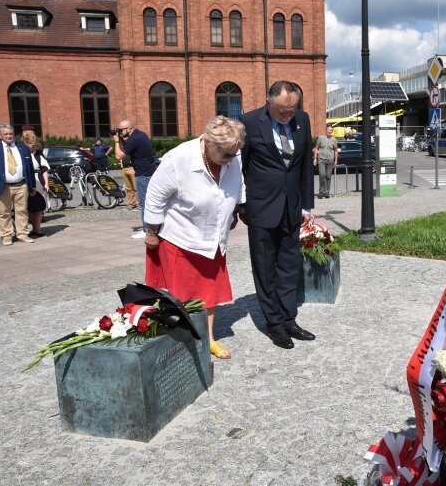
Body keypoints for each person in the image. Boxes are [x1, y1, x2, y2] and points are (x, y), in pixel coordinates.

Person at [144, 116, 246, 360]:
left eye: (235, 154)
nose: (230, 160)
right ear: (208, 141)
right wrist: (151, 232)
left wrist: (235, 211)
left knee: (209, 293)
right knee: (179, 294)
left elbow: (237, 186)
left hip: (213, 238)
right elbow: (155, 196)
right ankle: (179, 341)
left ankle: (208, 338)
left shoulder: (232, 157)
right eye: (226, 154)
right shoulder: (179, 158)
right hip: (181, 236)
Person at [239, 80, 316, 349]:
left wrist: (307, 205)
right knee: (265, 267)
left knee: (288, 266)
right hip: (260, 209)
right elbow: (239, 168)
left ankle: (289, 319)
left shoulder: (302, 120)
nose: (288, 116)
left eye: (292, 110)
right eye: (282, 110)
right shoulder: (248, 122)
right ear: (268, 101)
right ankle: (274, 324)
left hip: (292, 208)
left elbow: (305, 164)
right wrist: (241, 206)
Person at [112, 120, 157, 238]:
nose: (120, 132)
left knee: (144, 203)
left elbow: (118, 155)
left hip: (143, 174)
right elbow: (126, 149)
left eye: (122, 130)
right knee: (150, 202)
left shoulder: (134, 139)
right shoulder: (141, 135)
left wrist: (116, 142)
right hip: (149, 172)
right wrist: (121, 139)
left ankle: (146, 230)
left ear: (129, 129)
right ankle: (152, 228)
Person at [0, 123, 36, 245]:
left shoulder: (22, 148)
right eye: (6, 134)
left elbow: (30, 168)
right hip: (3, 186)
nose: (9, 136)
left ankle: (22, 234)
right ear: (0, 135)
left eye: (11, 134)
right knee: (4, 213)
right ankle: (6, 236)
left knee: (22, 211)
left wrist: (32, 186)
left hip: (21, 185)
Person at [21, 130, 49, 237]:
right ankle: (33, 228)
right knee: (30, 207)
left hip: (38, 181)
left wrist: (46, 183)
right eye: (31, 145)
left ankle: (38, 228)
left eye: (34, 145)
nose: (33, 147)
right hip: (26, 181)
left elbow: (44, 170)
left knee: (39, 206)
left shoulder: (38, 155)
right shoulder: (22, 154)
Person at [313, 123, 339, 198]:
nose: (329, 131)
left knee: (328, 176)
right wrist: (315, 158)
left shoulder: (334, 139)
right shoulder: (321, 138)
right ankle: (321, 191)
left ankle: (327, 192)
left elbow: (336, 150)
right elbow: (316, 148)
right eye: (328, 130)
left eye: (331, 130)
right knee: (322, 175)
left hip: (330, 160)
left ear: (332, 131)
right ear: (326, 130)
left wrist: (336, 160)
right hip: (321, 159)